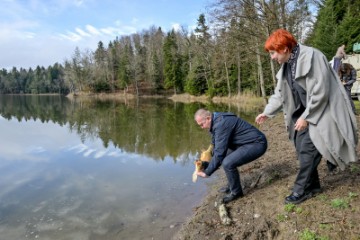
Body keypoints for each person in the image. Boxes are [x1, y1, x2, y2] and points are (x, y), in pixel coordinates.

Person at [255, 29, 358, 205]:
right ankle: (314, 186)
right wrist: (267, 111)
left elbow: (321, 91)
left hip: (322, 112)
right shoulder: (286, 66)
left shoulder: (313, 56)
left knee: (309, 151)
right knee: (301, 149)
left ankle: (300, 190)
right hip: (302, 115)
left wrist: (307, 117)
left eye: (273, 53)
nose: (272, 57)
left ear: (284, 49)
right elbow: (280, 94)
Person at [194, 109, 267, 204]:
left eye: (202, 124)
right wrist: (205, 164)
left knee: (228, 163)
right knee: (222, 157)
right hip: (242, 143)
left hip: (256, 144)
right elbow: (216, 146)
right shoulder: (215, 119)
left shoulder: (221, 124)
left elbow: (220, 152)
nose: (202, 127)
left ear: (208, 118)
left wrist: (207, 173)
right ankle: (232, 185)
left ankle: (236, 192)